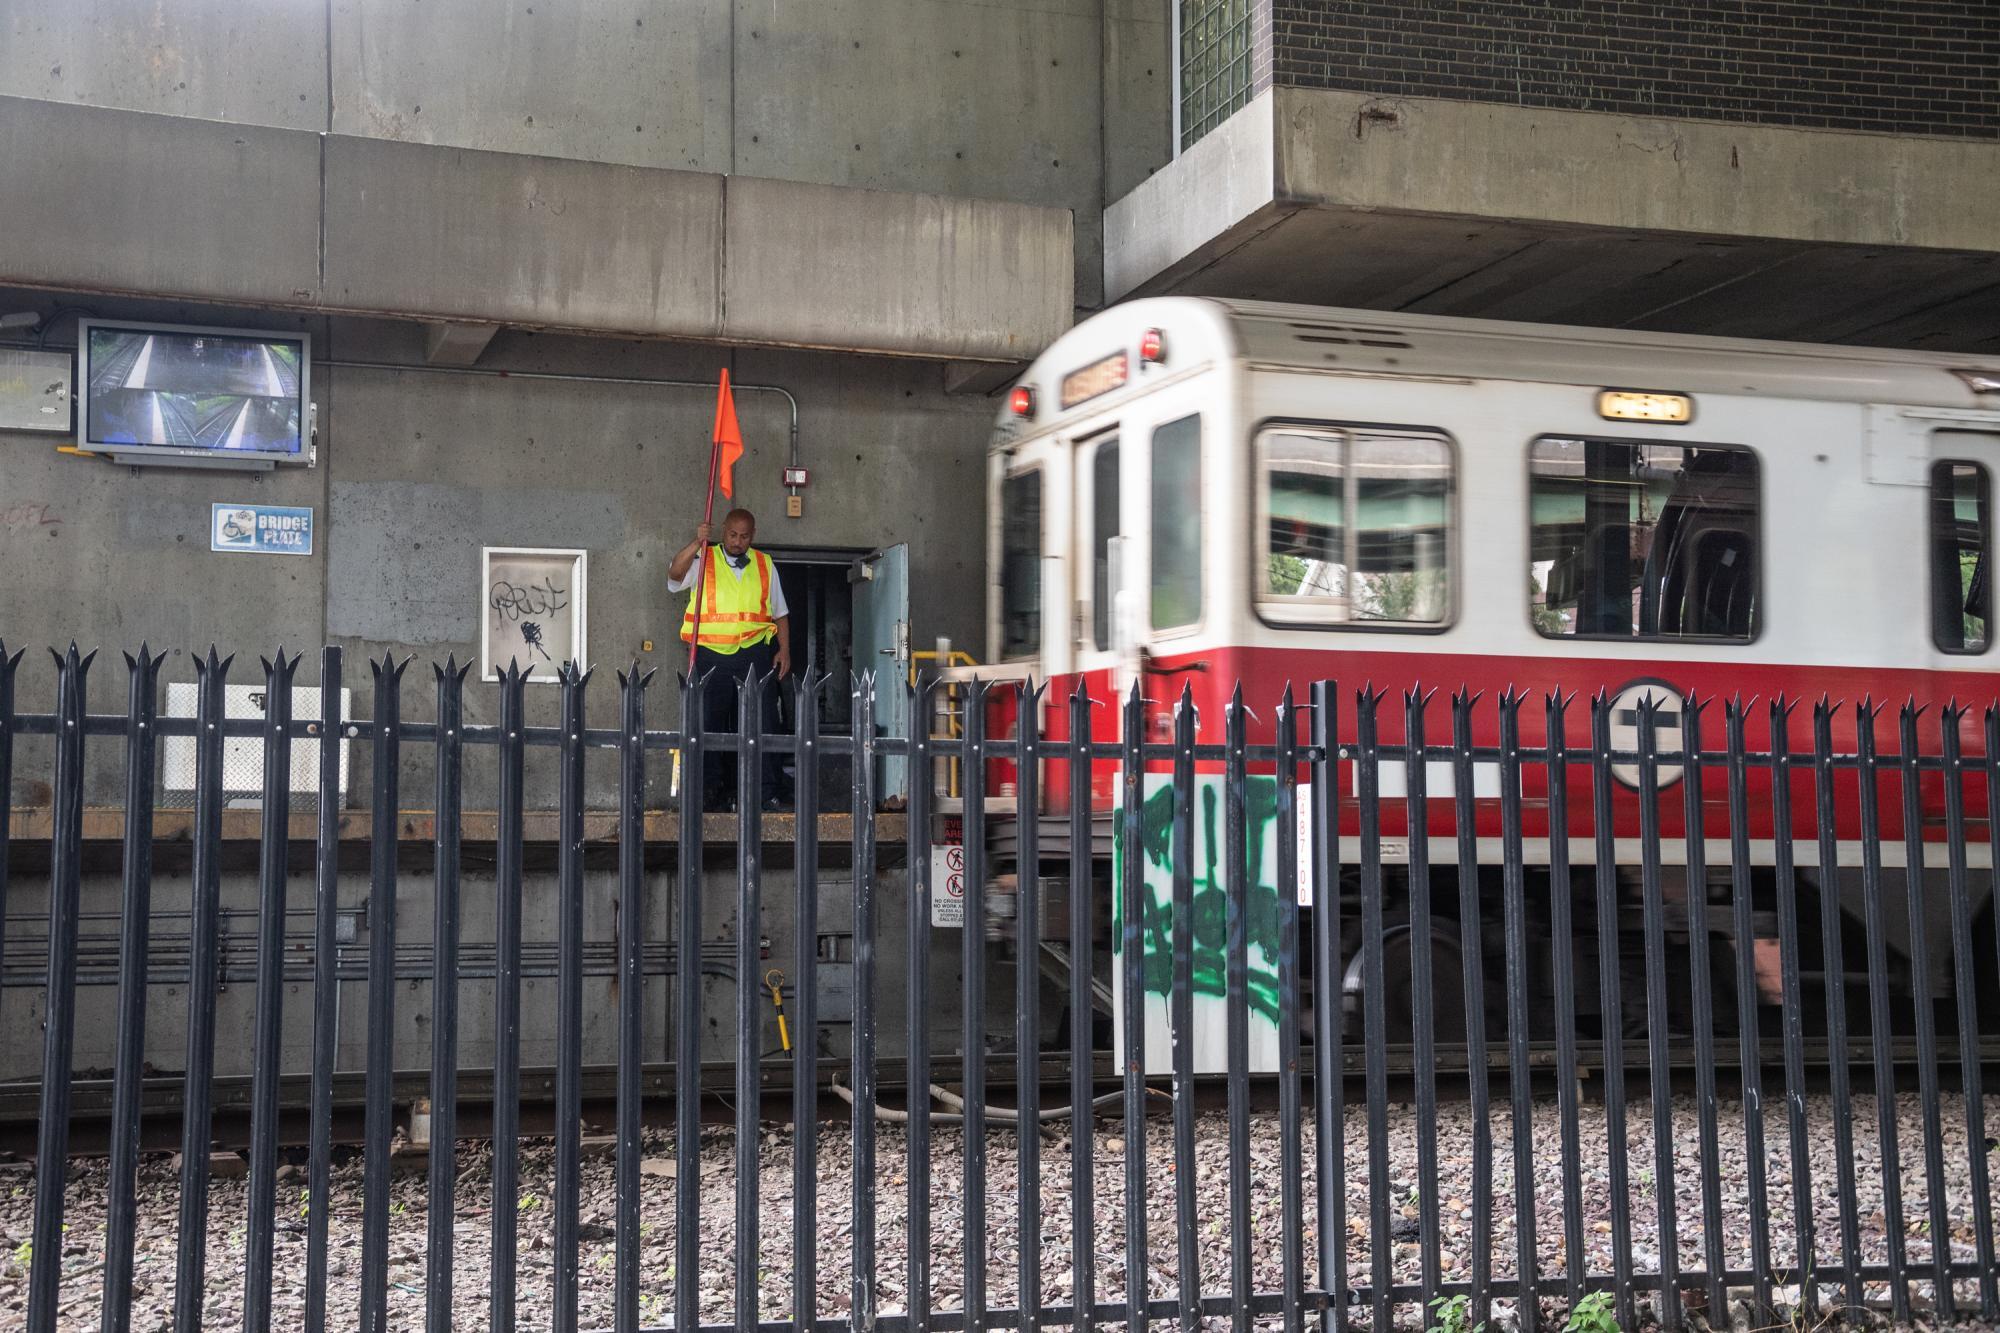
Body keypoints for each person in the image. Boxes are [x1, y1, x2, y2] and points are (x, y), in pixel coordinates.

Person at [668, 508, 791, 810]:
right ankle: (708, 791)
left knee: (764, 723)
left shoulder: (764, 564)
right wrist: (698, 544)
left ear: (753, 535)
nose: (738, 541)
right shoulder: (704, 560)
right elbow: (673, 575)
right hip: (711, 655)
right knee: (707, 723)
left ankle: (765, 793)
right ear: (723, 531)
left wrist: (784, 649)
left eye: (744, 536)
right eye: (733, 535)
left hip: (755, 654)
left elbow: (780, 613)